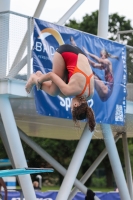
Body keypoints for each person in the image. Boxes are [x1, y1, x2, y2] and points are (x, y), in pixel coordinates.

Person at [25, 44, 95, 131]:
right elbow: (51, 75)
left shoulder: (90, 95)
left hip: (79, 52)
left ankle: (40, 76)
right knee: (54, 91)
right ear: (76, 105)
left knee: (63, 93)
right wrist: (39, 81)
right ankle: (34, 78)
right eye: (71, 108)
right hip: (64, 52)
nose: (70, 106)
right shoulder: (70, 90)